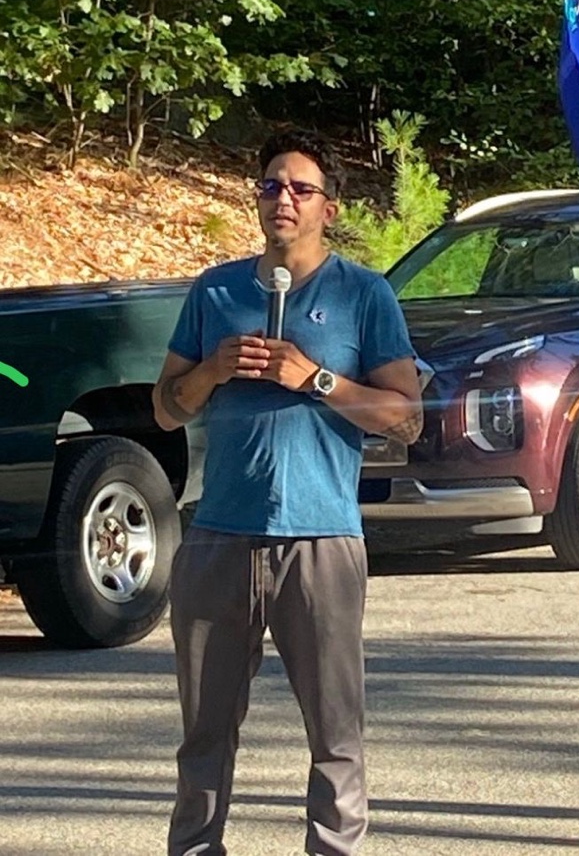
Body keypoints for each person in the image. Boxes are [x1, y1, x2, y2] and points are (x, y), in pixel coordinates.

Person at [153, 127, 423, 856]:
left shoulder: (363, 294)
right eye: (271, 184)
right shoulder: (216, 289)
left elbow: (405, 418)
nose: (283, 198)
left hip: (321, 537)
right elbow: (164, 407)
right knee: (204, 731)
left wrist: (318, 378)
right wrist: (210, 371)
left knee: (335, 729)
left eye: (300, 188)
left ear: (327, 208)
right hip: (219, 534)